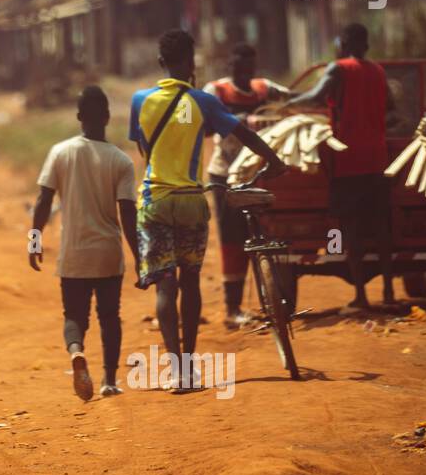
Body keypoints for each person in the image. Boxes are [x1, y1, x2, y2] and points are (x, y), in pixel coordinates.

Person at [129, 30, 285, 391]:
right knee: (191, 282)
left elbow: (144, 149)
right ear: (191, 61)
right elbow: (243, 133)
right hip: (191, 201)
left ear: (159, 62)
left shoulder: (140, 99)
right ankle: (191, 365)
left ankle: (177, 371)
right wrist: (274, 160)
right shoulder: (203, 101)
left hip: (155, 201)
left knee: (165, 288)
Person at [30, 86, 139, 401]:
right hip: (108, 253)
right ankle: (109, 380)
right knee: (110, 316)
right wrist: (140, 256)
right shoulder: (121, 161)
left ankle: (76, 351)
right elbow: (128, 213)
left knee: (74, 316)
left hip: (74, 253)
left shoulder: (60, 152)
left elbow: (42, 200)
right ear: (107, 117)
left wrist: (34, 240)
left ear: (78, 117)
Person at [283, 22, 393, 310]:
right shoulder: (379, 71)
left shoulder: (338, 69)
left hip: (348, 161)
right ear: (366, 45)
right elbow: (391, 106)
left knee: (352, 229)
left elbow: (315, 97)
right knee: (381, 227)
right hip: (377, 158)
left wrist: (284, 100)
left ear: (342, 45)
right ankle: (390, 291)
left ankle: (361, 295)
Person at [203, 44, 290, 328]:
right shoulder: (216, 92)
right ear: (230, 67)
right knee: (231, 241)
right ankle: (232, 308)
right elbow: (203, 126)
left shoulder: (264, 89)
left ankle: (273, 300)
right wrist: (230, 121)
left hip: (258, 172)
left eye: (249, 68)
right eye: (239, 68)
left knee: (267, 234)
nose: (245, 74)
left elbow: (293, 97)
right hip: (225, 174)